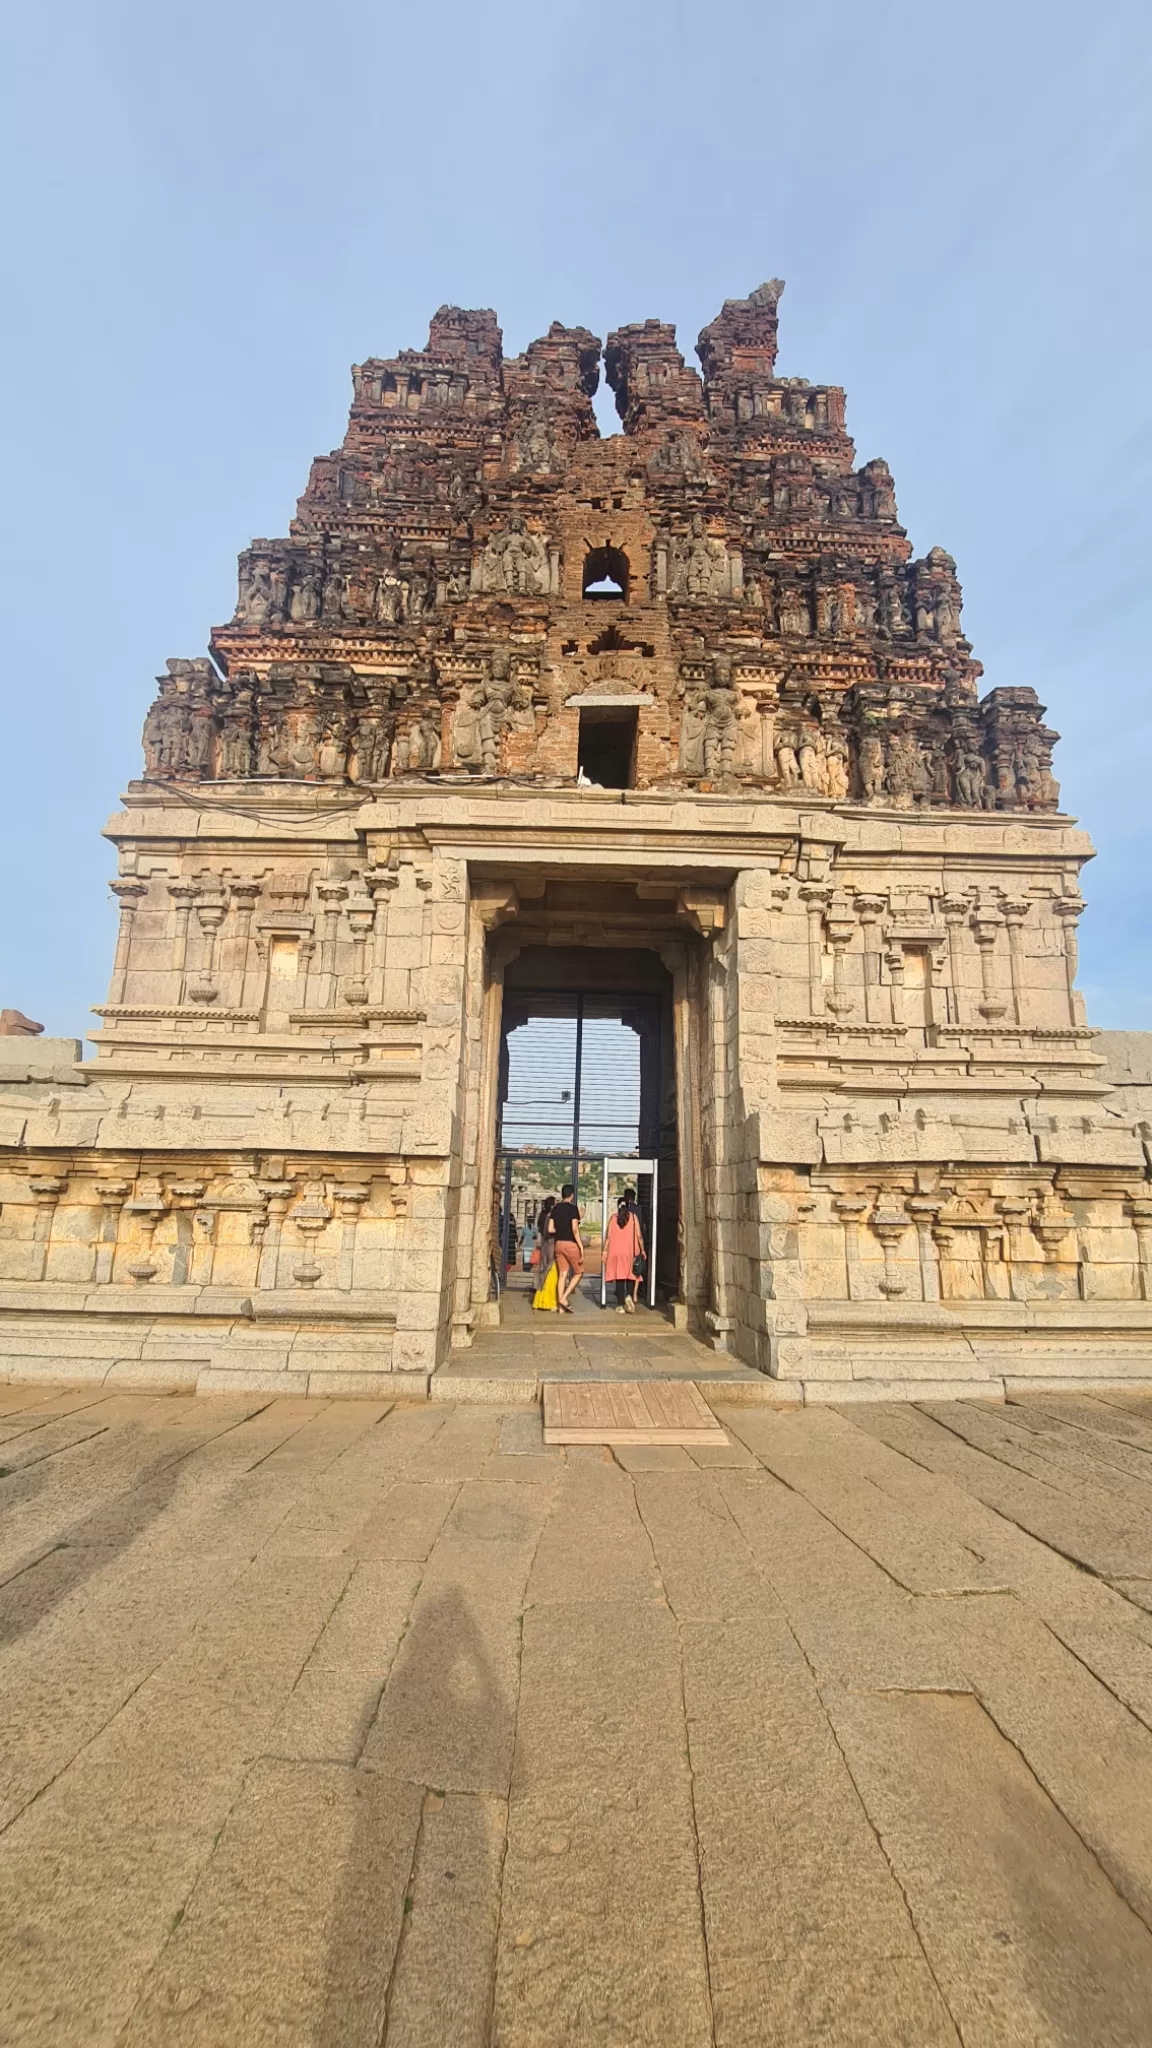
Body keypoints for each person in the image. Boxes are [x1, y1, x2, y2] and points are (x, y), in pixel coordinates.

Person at [604, 1195, 645, 1313]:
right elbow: (639, 1236)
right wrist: (642, 1250)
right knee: (631, 1276)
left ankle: (621, 1305)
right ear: (628, 1206)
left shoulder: (613, 1218)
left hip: (616, 1253)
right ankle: (629, 1296)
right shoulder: (633, 1217)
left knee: (620, 1278)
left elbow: (608, 1237)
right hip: (630, 1252)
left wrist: (604, 1251)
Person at [550, 1182, 583, 1314]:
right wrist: (581, 1247)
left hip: (558, 1244)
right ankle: (564, 1298)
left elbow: (550, 1229)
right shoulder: (573, 1209)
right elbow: (575, 1229)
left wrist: (561, 1228)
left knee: (562, 1275)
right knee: (579, 1272)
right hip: (570, 1244)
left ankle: (560, 1308)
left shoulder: (555, 1208)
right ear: (572, 1195)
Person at [531, 1195, 558, 1311]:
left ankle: (539, 1301)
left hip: (545, 1246)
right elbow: (551, 1231)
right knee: (551, 1274)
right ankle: (549, 1302)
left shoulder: (543, 1216)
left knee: (543, 1272)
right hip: (551, 1247)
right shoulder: (551, 1216)